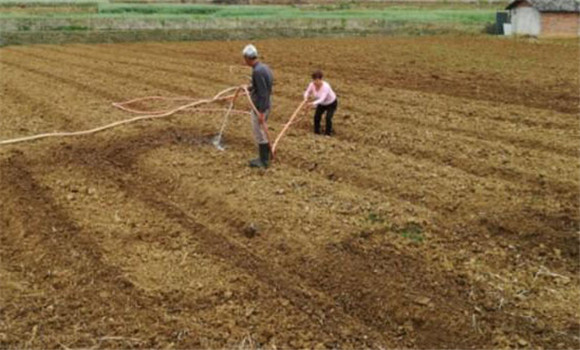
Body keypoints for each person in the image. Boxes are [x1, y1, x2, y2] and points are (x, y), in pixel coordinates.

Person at [243, 44, 273, 168]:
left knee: (259, 132)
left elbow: (263, 92)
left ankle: (264, 161)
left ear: (247, 58)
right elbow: (263, 86)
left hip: (260, 107)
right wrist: (249, 88)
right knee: (262, 131)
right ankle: (266, 156)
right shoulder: (264, 67)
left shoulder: (257, 71)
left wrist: (260, 112)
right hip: (265, 104)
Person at [303, 70, 338, 136]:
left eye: (317, 80)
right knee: (316, 116)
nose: (315, 82)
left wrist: (312, 103)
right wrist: (305, 98)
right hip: (322, 104)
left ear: (321, 79)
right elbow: (307, 92)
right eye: (314, 80)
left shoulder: (326, 87)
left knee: (328, 117)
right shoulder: (312, 85)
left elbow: (322, 99)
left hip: (331, 103)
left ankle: (328, 133)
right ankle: (316, 132)